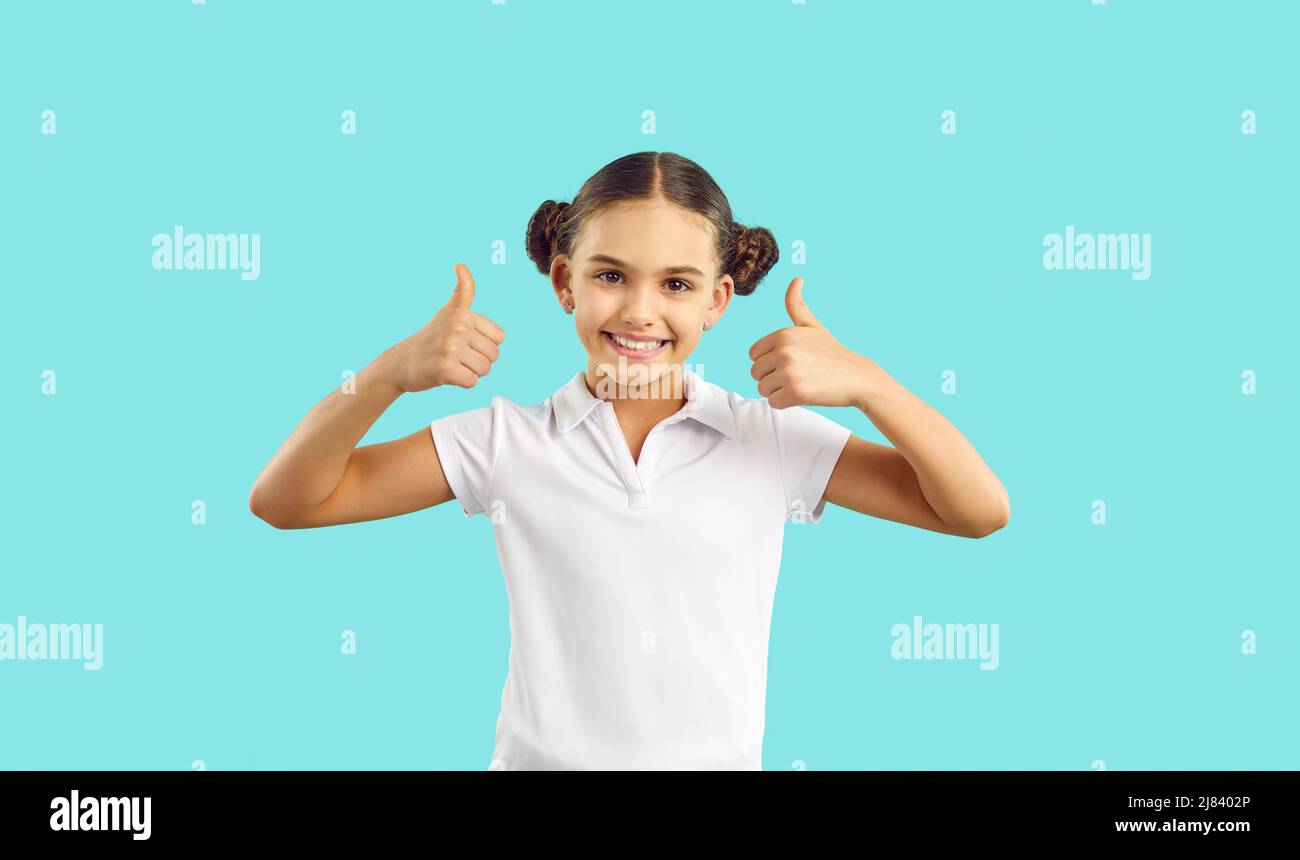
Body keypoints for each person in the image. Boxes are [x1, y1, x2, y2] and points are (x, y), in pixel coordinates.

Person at [249, 151, 1010, 770]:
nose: (641, 311)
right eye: (610, 276)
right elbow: (288, 501)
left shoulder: (770, 441)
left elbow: (976, 511)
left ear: (716, 301)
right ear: (563, 282)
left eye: (676, 285)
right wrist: (388, 375)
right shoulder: (504, 442)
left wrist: (869, 383)